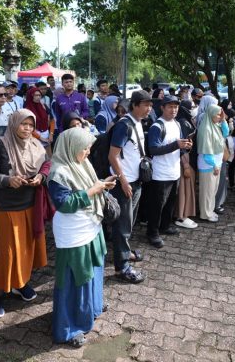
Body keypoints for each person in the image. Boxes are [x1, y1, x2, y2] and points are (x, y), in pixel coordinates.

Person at [47, 128, 115, 347]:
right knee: (75, 277)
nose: (87, 152)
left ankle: (92, 307)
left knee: (94, 268)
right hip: (73, 230)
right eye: (84, 148)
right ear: (70, 147)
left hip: (90, 225)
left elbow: (89, 186)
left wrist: (102, 185)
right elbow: (64, 204)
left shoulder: (81, 164)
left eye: (88, 148)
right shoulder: (58, 172)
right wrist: (92, 191)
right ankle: (68, 328)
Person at [0, 110, 51, 320]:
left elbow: (47, 163)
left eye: (31, 125)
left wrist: (41, 175)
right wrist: (6, 180)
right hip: (6, 208)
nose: (28, 129)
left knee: (24, 249)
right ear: (14, 124)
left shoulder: (36, 144)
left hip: (31, 205)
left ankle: (20, 283)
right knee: (4, 253)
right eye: (24, 124)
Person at [108, 90, 152, 283]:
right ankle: (122, 267)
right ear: (134, 105)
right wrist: (123, 181)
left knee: (129, 222)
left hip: (136, 181)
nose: (149, 108)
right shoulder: (124, 125)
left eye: (150, 105)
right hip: (124, 182)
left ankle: (123, 252)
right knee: (123, 225)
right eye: (145, 105)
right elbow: (113, 156)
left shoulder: (138, 123)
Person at [144, 95, 193, 247]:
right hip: (160, 173)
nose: (173, 110)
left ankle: (165, 226)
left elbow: (177, 147)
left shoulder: (177, 124)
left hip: (174, 171)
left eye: (176, 107)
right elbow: (153, 149)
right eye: (170, 107)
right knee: (157, 206)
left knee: (170, 203)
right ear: (162, 108)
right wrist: (176, 145)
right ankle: (152, 233)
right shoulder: (157, 126)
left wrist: (185, 147)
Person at [197, 104, 227, 223]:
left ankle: (209, 210)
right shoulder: (206, 129)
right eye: (218, 114)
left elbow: (225, 133)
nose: (219, 116)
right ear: (211, 114)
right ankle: (205, 214)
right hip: (208, 165)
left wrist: (223, 120)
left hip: (216, 163)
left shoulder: (215, 125)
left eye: (221, 114)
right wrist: (214, 165)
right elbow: (206, 151)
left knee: (212, 190)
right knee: (207, 191)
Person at [174, 100, 198, 230]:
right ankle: (181, 216)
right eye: (191, 107)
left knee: (186, 188)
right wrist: (186, 165)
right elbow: (182, 146)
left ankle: (183, 214)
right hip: (185, 160)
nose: (193, 109)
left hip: (188, 159)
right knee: (184, 189)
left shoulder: (186, 121)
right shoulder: (183, 123)